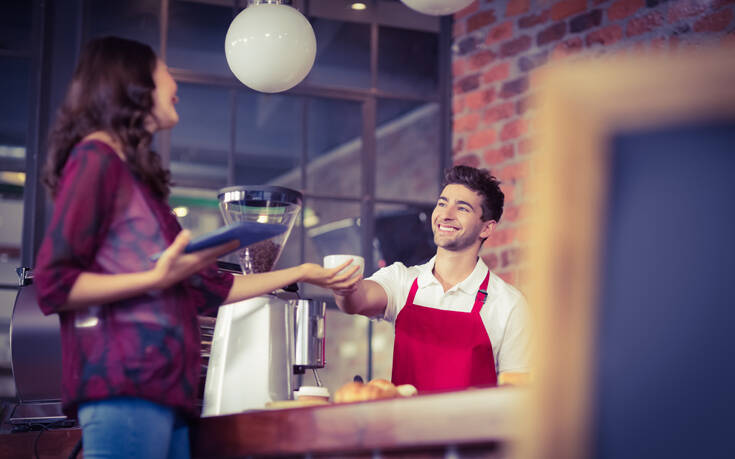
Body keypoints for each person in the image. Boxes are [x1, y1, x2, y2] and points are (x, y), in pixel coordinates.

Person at [33, 36, 356, 459]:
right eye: (163, 71)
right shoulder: (95, 159)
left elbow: (210, 288)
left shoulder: (133, 179)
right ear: (132, 83)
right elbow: (53, 284)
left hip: (167, 393)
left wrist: (302, 272)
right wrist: (155, 278)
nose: (174, 84)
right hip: (126, 387)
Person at [331, 165, 531, 392]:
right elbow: (357, 300)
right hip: (404, 427)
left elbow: (516, 394)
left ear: (486, 228)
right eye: (442, 203)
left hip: (475, 428)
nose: (445, 214)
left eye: (462, 208)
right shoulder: (402, 281)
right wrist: (343, 287)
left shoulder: (509, 304)